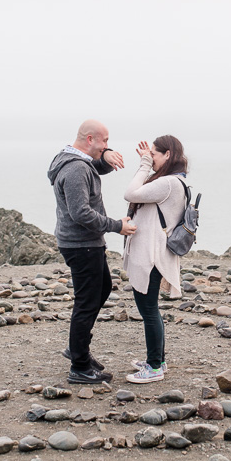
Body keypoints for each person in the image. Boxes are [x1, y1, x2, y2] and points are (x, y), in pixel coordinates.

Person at [47, 119, 136, 384]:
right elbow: (80, 212)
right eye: (104, 141)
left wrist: (106, 156)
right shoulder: (75, 169)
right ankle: (80, 365)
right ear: (89, 140)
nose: (107, 146)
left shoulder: (70, 158)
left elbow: (95, 165)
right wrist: (115, 226)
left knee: (103, 288)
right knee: (86, 303)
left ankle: (78, 348)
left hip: (81, 242)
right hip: (81, 244)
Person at [122, 135, 188, 384]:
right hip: (153, 252)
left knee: (148, 309)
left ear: (168, 154)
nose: (151, 159)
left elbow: (130, 193)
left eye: (155, 154)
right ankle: (158, 359)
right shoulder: (173, 181)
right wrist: (149, 161)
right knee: (151, 309)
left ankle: (154, 367)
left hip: (151, 255)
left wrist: (143, 164)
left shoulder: (169, 183)